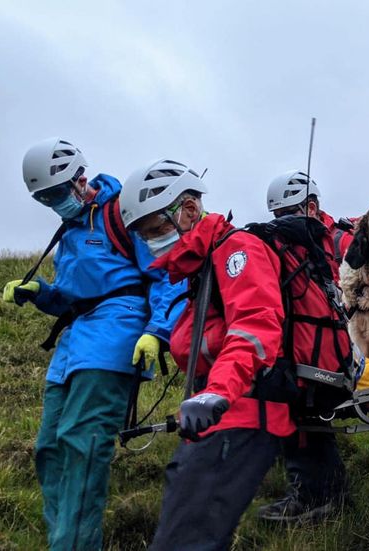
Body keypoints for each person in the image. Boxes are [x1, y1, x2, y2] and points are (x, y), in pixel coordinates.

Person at [3, 139, 184, 550]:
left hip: (114, 335)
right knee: (50, 446)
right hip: (73, 343)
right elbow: (73, 296)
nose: (52, 203)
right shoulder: (68, 232)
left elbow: (167, 277)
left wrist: (157, 332)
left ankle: (75, 545)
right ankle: (64, 538)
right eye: (43, 198)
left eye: (55, 193)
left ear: (79, 180)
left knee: (82, 442)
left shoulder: (124, 214)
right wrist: (41, 293)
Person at [119, 159, 294, 550]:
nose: (152, 243)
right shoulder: (202, 266)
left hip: (241, 412)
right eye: (145, 236)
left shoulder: (237, 250)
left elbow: (255, 327)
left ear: (190, 209)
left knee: (185, 540)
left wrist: (216, 391)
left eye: (157, 229)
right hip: (218, 413)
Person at [257, 169, 350, 524]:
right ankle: (322, 495)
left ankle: (314, 495)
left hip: (336, 347)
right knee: (301, 415)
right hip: (301, 346)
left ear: (311, 206)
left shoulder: (339, 238)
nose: (283, 222)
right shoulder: (283, 243)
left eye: (289, 213)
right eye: (277, 217)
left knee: (302, 415)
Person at [266, 169, 354, 273]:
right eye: (277, 216)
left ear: (311, 209)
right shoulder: (279, 249)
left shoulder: (343, 242)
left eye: (287, 214)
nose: (282, 221)